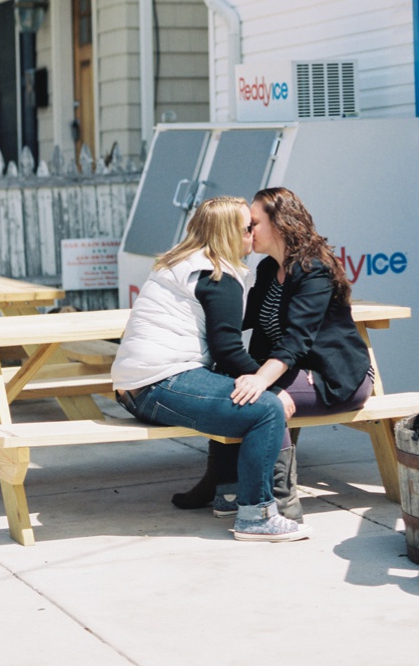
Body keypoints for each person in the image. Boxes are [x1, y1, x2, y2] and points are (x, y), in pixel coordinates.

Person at [111, 195, 307, 543]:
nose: (253, 234)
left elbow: (224, 351)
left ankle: (228, 497)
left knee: (239, 393)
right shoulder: (217, 276)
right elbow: (228, 350)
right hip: (159, 384)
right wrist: (272, 387)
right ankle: (256, 515)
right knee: (265, 409)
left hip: (137, 387)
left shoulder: (180, 263)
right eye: (248, 228)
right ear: (230, 233)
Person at [173, 187, 373, 520]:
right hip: (294, 370)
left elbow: (297, 339)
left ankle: (282, 501)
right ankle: (225, 487)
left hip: (334, 376)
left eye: (253, 224)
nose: (247, 232)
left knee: (257, 400)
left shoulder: (314, 269)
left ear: (280, 225)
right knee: (229, 387)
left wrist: (263, 381)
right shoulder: (268, 269)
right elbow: (245, 322)